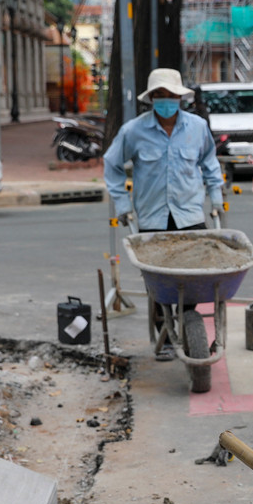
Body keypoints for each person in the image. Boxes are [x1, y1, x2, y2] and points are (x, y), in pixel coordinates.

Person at [104, 68, 224, 364]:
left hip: (190, 215)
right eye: (160, 95)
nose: (166, 100)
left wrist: (216, 196)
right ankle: (165, 335)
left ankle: (189, 322)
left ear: (180, 98)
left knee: (193, 276)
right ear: (152, 99)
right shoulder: (134, 131)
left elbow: (209, 161)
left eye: (171, 95)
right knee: (158, 281)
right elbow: (112, 165)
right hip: (152, 218)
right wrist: (122, 204)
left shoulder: (196, 127)